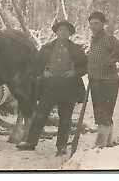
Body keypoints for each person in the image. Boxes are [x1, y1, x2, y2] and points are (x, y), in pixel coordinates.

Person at [16, 20, 87, 156]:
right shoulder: (47, 47)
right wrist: (43, 71)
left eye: (66, 30)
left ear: (70, 34)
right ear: (56, 32)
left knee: (65, 118)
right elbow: (35, 63)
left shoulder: (76, 49)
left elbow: (85, 65)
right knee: (40, 115)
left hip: (69, 88)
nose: (63, 32)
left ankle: (61, 146)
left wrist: (75, 72)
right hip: (49, 87)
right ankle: (30, 142)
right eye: (60, 30)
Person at [87, 11, 119, 148]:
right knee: (99, 111)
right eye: (91, 23)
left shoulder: (108, 38)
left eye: (96, 23)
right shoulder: (93, 39)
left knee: (105, 111)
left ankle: (100, 143)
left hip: (108, 81)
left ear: (103, 24)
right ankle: (108, 141)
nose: (93, 26)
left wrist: (110, 61)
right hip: (95, 80)